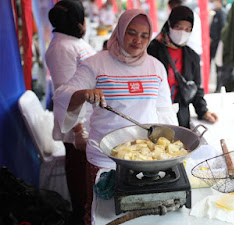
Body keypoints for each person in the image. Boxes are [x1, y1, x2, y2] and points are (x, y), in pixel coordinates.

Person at [52, 9, 176, 224]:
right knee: (101, 214)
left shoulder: (156, 67)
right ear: (119, 31)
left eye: (145, 35)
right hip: (104, 157)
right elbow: (61, 95)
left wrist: (170, 149)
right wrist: (82, 94)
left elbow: (164, 111)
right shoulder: (95, 64)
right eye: (131, 32)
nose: (138, 40)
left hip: (144, 160)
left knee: (138, 216)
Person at [45, 1, 96, 224]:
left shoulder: (72, 42)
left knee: (87, 182)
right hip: (77, 127)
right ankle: (80, 218)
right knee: (80, 184)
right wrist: (78, 130)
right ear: (77, 20)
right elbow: (65, 91)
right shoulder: (61, 48)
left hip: (87, 122)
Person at [147, 5, 218, 128]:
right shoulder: (152, 50)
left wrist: (204, 111)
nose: (182, 32)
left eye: (187, 29)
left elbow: (195, 88)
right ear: (170, 24)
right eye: (178, 27)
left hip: (180, 116)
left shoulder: (192, 56)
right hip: (152, 114)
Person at [209, 0, 226, 93]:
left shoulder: (222, 14)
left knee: (218, 67)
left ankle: (218, 88)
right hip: (212, 45)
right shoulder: (215, 14)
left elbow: (222, 30)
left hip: (217, 45)